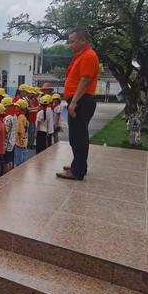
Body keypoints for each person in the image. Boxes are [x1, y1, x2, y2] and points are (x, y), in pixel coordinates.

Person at [57, 28, 99, 180]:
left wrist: (73, 102)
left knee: (78, 137)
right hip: (79, 99)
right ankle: (79, 165)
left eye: (73, 41)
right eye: (69, 41)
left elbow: (85, 80)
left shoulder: (88, 56)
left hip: (81, 100)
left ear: (83, 40)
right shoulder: (81, 56)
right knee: (77, 136)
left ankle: (77, 171)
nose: (70, 44)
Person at [2, 97, 17, 172]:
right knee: (10, 161)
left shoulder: (8, 117)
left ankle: (6, 177)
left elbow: (6, 131)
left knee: (6, 162)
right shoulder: (14, 115)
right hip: (12, 141)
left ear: (7, 106)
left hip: (7, 143)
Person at [14, 99, 29, 167]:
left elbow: (19, 131)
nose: (15, 108)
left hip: (20, 143)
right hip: (24, 141)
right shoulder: (24, 117)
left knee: (19, 163)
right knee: (23, 161)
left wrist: (19, 141)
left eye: (17, 107)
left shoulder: (20, 117)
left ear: (21, 108)